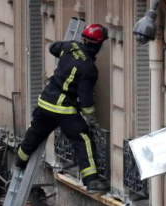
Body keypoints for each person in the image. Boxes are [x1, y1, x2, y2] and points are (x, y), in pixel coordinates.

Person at [16, 24, 110, 194]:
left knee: (34, 133)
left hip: (45, 103)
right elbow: (86, 99)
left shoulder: (71, 46)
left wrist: (66, 52)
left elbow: (53, 47)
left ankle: (19, 162)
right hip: (63, 110)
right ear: (96, 45)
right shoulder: (89, 68)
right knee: (83, 139)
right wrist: (91, 119)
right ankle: (92, 181)